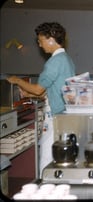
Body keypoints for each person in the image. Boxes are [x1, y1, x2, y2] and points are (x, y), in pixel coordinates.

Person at [7, 22, 76, 177]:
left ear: (50, 39)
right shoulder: (67, 59)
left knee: (46, 157)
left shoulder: (54, 61)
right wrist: (29, 94)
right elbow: (51, 90)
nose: (39, 44)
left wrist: (17, 80)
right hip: (65, 114)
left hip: (55, 116)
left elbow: (39, 88)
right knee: (60, 157)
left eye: (40, 40)